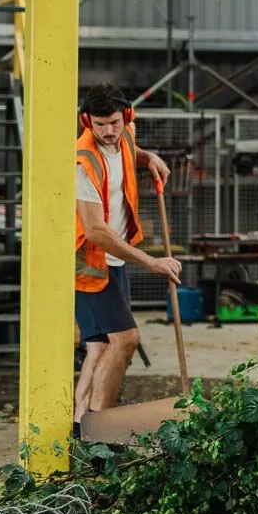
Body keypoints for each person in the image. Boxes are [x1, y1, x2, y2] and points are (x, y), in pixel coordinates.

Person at [73, 84, 180, 426]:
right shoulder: (82, 162)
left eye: (114, 123)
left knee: (101, 346)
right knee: (126, 340)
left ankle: (80, 425)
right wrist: (151, 262)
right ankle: (102, 430)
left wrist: (149, 158)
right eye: (99, 124)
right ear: (87, 121)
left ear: (127, 117)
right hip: (88, 263)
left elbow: (127, 150)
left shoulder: (126, 134)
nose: (107, 132)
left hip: (114, 260)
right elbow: (95, 231)